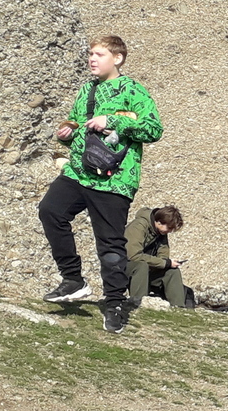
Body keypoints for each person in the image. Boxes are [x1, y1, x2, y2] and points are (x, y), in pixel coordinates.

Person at [38, 33, 164, 334]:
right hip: (79, 172)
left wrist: (114, 121)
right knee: (50, 211)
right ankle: (73, 280)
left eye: (99, 54)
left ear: (117, 58)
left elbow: (154, 128)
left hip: (115, 179)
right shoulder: (87, 90)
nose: (92, 59)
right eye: (90, 54)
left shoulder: (133, 90)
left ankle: (115, 303)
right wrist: (64, 133)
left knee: (109, 244)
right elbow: (74, 121)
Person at [126, 204, 189, 308]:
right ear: (159, 222)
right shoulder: (138, 227)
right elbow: (133, 256)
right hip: (125, 268)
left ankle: (179, 308)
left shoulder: (161, 232)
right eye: (169, 228)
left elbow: (163, 254)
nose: (170, 231)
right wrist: (165, 263)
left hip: (148, 269)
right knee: (141, 266)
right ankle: (138, 305)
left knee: (172, 271)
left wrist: (167, 263)